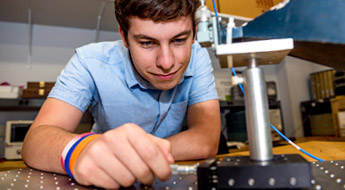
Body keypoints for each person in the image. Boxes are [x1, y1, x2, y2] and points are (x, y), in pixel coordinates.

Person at [21, 0, 221, 189]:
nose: (166, 62)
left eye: (178, 40)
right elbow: (35, 142)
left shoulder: (198, 56)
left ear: (194, 33)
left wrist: (134, 156)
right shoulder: (89, 62)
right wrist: (81, 150)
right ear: (124, 37)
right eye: (147, 43)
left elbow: (206, 140)